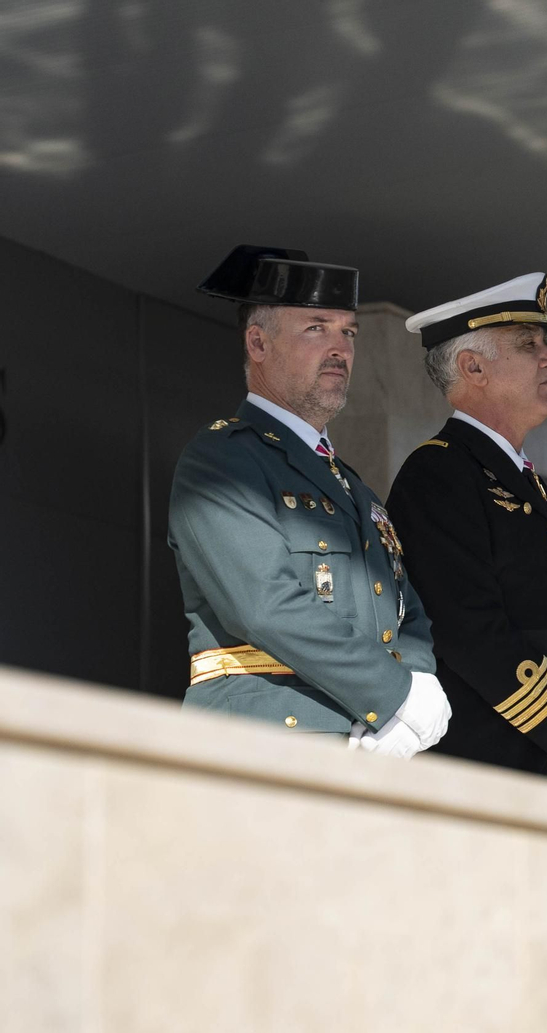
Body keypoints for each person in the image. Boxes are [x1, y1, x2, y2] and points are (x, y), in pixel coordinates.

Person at [169, 245, 448, 757]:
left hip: (360, 740)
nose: (340, 347)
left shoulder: (351, 484)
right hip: (262, 742)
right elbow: (264, 605)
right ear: (258, 342)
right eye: (316, 328)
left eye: (349, 331)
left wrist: (416, 681)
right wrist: (393, 696)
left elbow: (405, 605)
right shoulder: (222, 458)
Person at [384, 272, 547, 792]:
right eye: (528, 344)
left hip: (543, 765)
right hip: (485, 765)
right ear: (473, 367)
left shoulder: (527, 483)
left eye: (545, 345)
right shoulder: (440, 473)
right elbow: (464, 626)